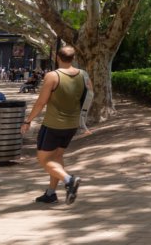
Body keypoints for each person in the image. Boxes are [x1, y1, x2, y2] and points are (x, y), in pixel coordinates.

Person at [20, 46, 92, 205]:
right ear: (73, 58)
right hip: (71, 125)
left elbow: (41, 102)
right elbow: (89, 96)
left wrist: (28, 120)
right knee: (57, 157)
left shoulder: (53, 76)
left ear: (57, 58)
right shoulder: (83, 75)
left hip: (53, 124)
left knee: (44, 159)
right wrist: (83, 121)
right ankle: (51, 194)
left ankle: (69, 179)